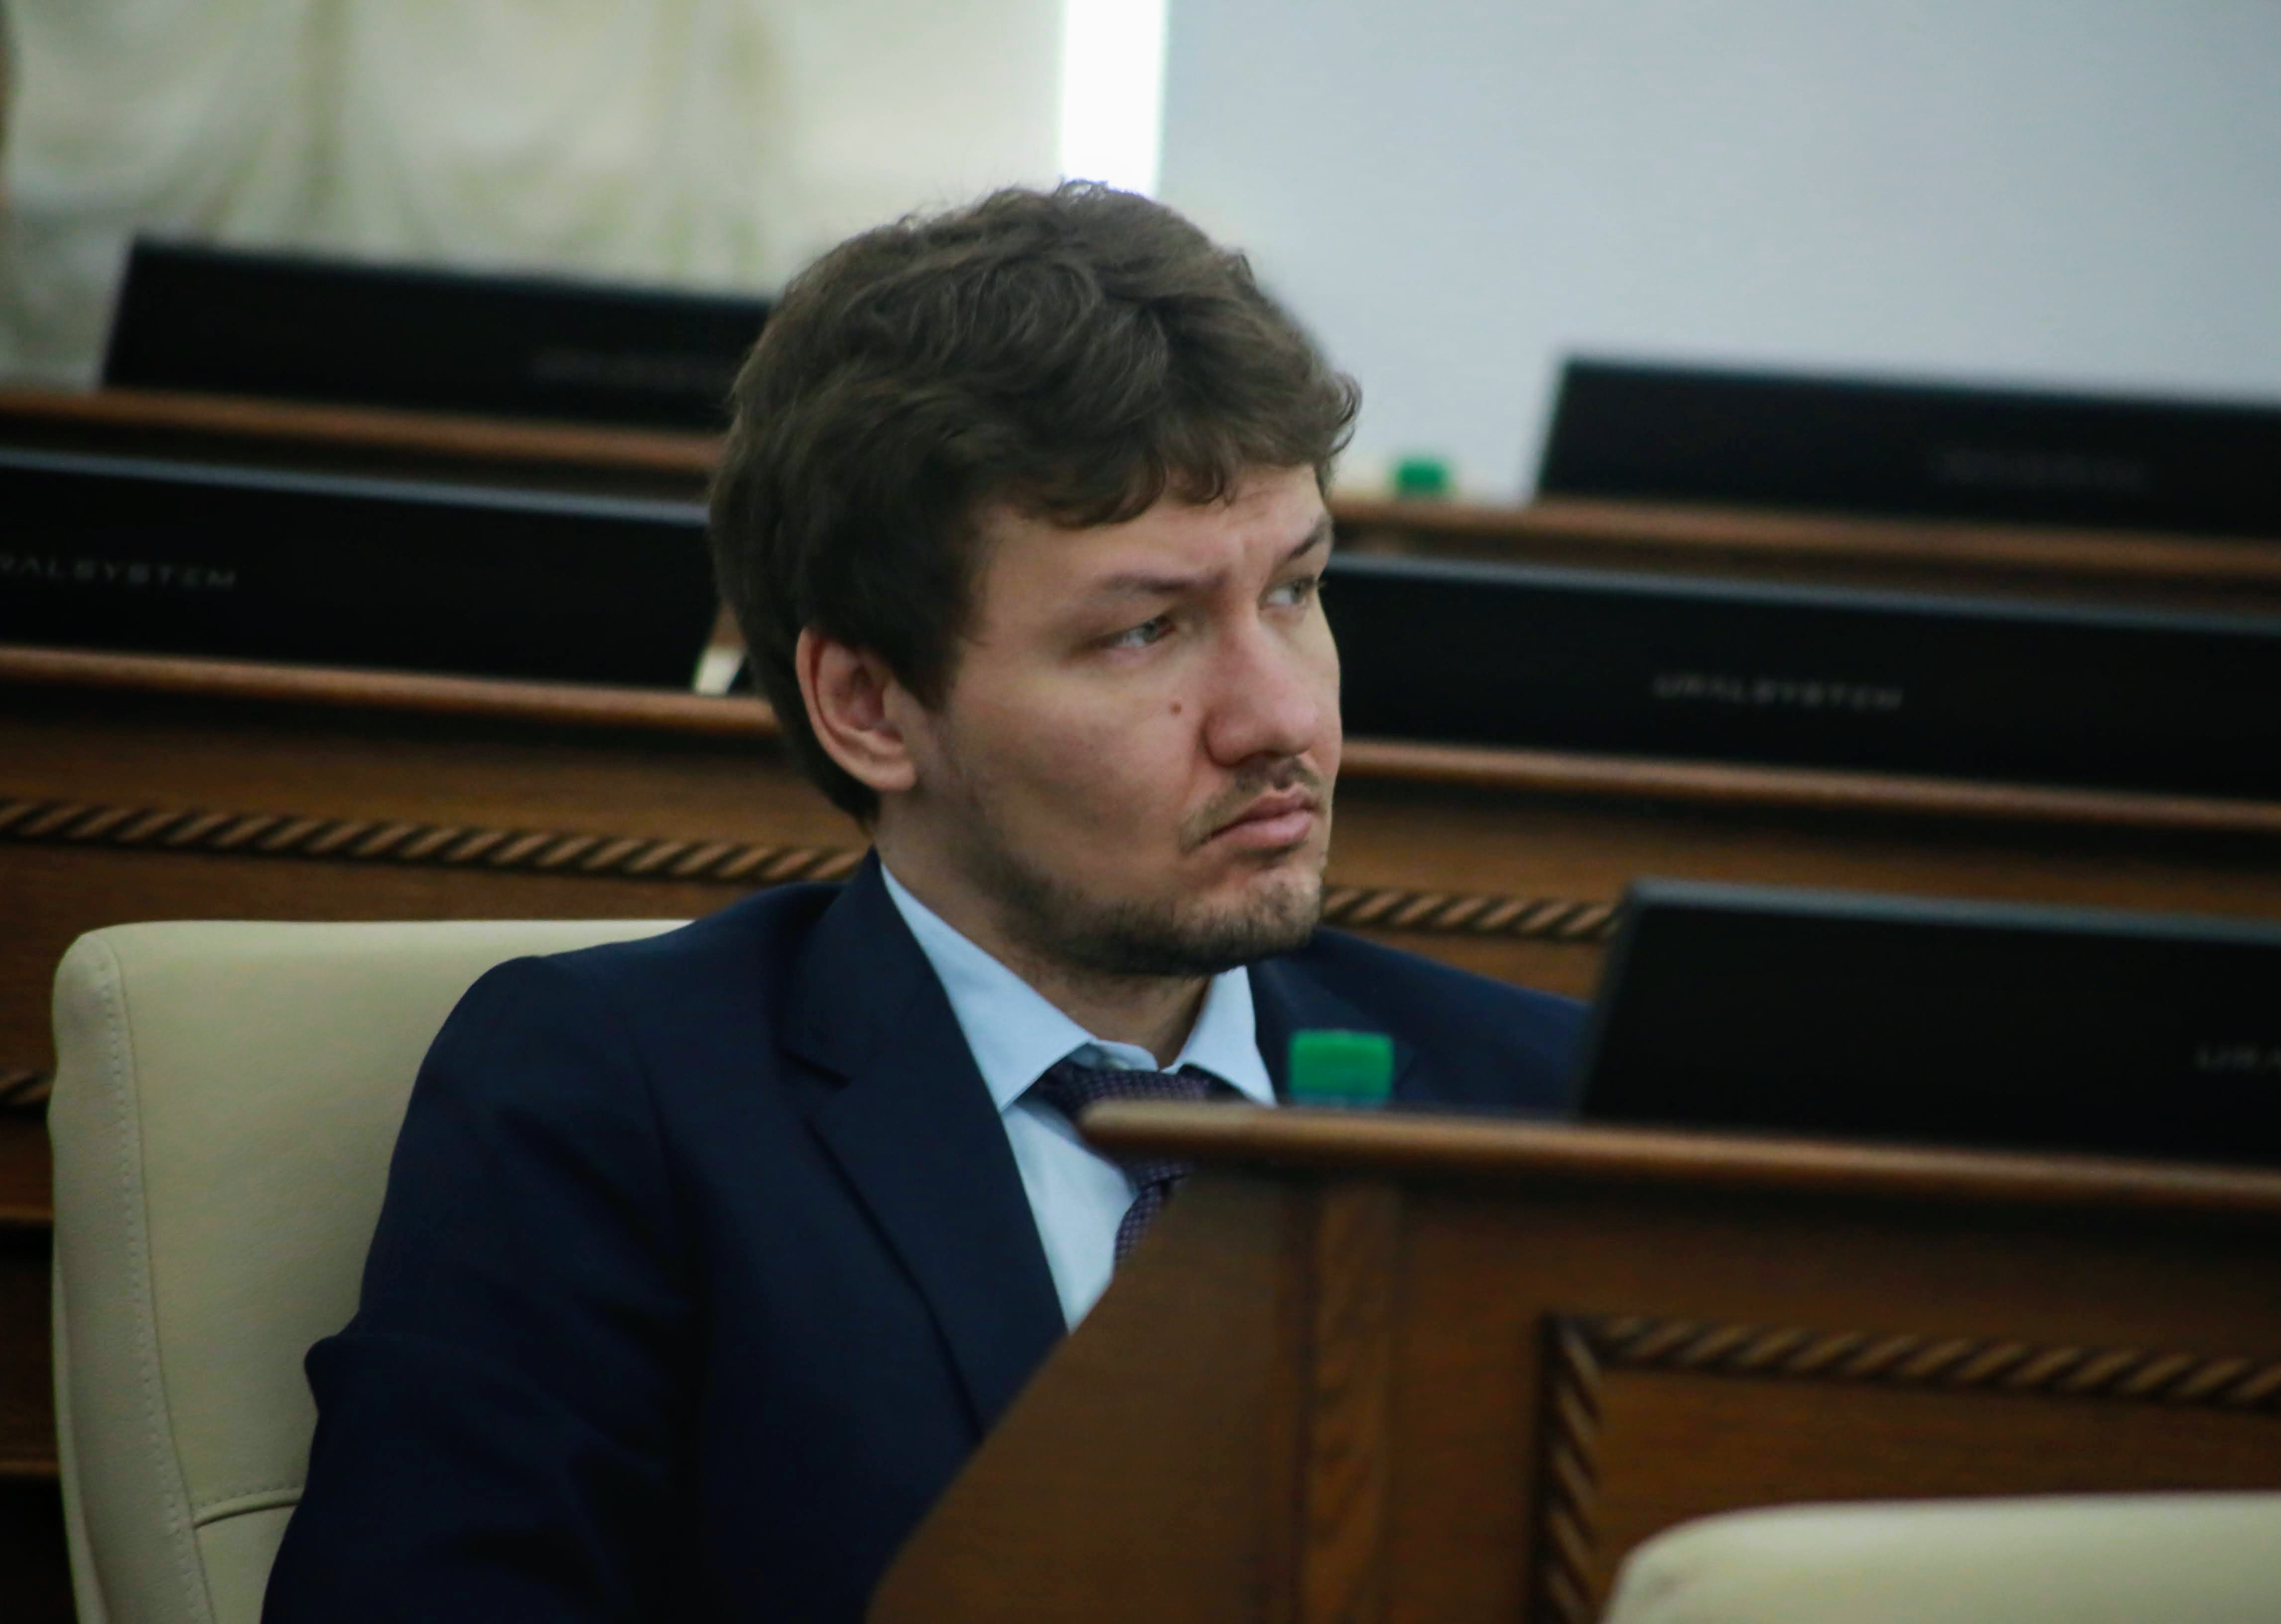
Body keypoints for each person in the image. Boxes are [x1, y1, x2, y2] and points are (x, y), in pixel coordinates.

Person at [263, 183, 1583, 1623]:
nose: (1279, 718)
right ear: (868, 704)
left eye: (1293, 591)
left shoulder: (1545, 1102)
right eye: (1144, 630)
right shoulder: (615, 1099)